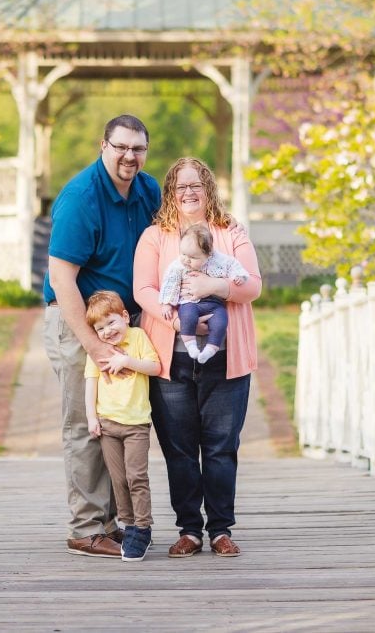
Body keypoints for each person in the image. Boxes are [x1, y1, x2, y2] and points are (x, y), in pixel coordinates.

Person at [42, 114, 161, 558]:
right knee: (86, 423)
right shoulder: (81, 198)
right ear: (103, 145)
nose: (130, 156)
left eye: (138, 148)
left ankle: (116, 524)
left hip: (124, 324)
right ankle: (87, 528)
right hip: (78, 323)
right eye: (121, 147)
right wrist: (95, 347)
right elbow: (62, 279)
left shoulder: (148, 189)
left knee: (120, 420)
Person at [134, 156, 261, 558]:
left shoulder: (230, 232)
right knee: (180, 449)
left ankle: (221, 529)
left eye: (196, 185)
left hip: (227, 359)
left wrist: (215, 285)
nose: (189, 192)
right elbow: (145, 290)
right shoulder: (155, 236)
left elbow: (252, 286)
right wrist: (178, 324)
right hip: (172, 358)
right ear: (171, 192)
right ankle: (189, 529)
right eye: (180, 186)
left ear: (208, 188)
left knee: (222, 447)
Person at [83, 290, 160, 562]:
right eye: (100, 328)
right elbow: (90, 383)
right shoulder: (97, 350)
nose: (107, 331)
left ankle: (143, 527)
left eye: (112, 322)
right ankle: (128, 526)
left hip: (136, 423)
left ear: (125, 317)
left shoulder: (137, 337)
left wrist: (128, 361)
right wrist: (92, 418)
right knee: (118, 479)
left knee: (136, 477)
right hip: (108, 424)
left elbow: (155, 366)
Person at [158, 223, 249, 364]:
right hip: (189, 302)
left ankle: (210, 349)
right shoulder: (178, 265)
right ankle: (191, 345)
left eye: (193, 257)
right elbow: (170, 282)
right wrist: (167, 304)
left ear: (209, 254)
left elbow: (233, 265)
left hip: (214, 304)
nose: (186, 260)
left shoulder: (219, 260)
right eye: (183, 254)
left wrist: (239, 276)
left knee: (221, 322)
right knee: (187, 317)